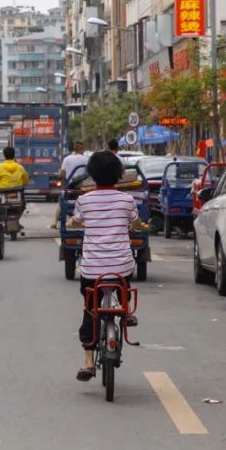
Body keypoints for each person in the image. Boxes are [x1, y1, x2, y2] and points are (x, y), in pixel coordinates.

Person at [68, 151, 143, 382]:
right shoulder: (127, 200)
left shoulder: (84, 200)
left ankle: (88, 362)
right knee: (124, 276)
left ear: (92, 175)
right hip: (120, 267)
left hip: (92, 269)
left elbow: (76, 221)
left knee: (90, 308)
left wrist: (75, 221)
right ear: (119, 175)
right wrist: (139, 226)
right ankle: (126, 309)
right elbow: (136, 223)